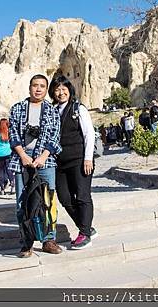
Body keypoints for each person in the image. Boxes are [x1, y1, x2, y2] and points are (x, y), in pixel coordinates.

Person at [8, 74, 62, 258]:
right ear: (29, 87)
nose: (38, 89)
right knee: (22, 202)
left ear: (47, 90)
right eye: (35, 85)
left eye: (42, 86)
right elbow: (13, 134)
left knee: (48, 200)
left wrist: (43, 156)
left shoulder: (52, 111)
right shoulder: (17, 109)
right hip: (21, 160)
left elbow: (55, 136)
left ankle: (49, 239)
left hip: (46, 160)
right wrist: (23, 155)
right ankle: (26, 242)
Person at [49, 75, 97, 250]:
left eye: (64, 89)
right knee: (64, 197)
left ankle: (84, 233)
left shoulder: (78, 109)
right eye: (57, 90)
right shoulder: (53, 111)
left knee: (83, 196)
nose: (61, 93)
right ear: (53, 93)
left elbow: (88, 134)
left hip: (79, 160)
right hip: (61, 163)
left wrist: (88, 158)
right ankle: (87, 227)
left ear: (69, 91)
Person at [0, 118, 13, 195]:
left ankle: (2, 189)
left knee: (1, 171)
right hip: (8, 153)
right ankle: (12, 183)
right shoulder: (9, 133)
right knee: (9, 169)